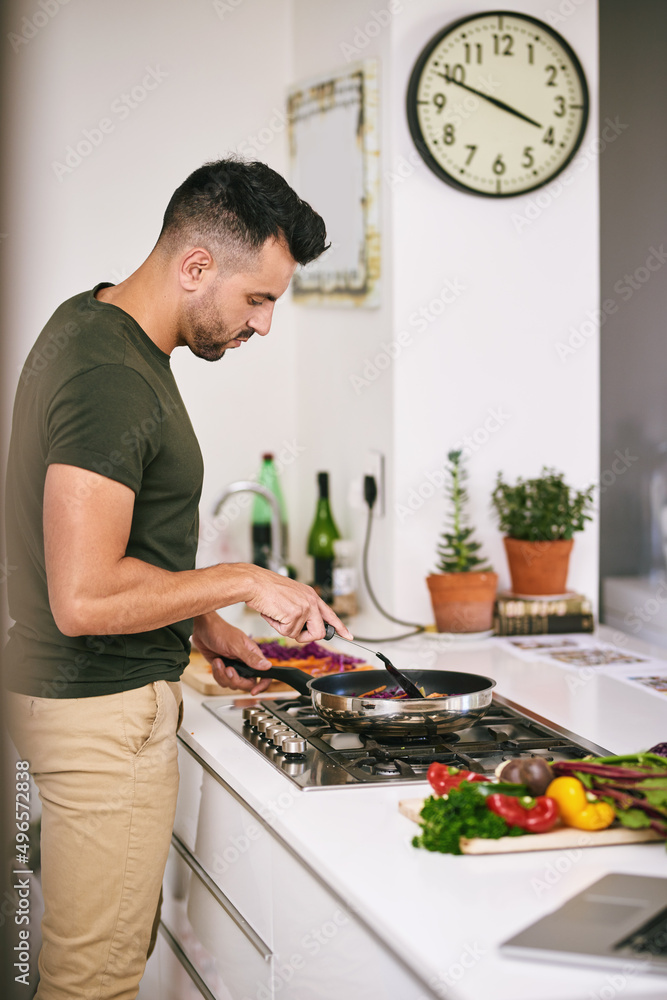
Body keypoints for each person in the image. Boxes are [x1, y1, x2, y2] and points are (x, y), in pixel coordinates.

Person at [4, 157, 352, 1000]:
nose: (262, 326)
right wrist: (237, 578)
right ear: (196, 266)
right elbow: (82, 596)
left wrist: (200, 625)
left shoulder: (94, 324)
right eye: (257, 299)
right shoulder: (114, 378)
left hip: (77, 696)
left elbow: (99, 547)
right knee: (94, 981)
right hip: (100, 715)